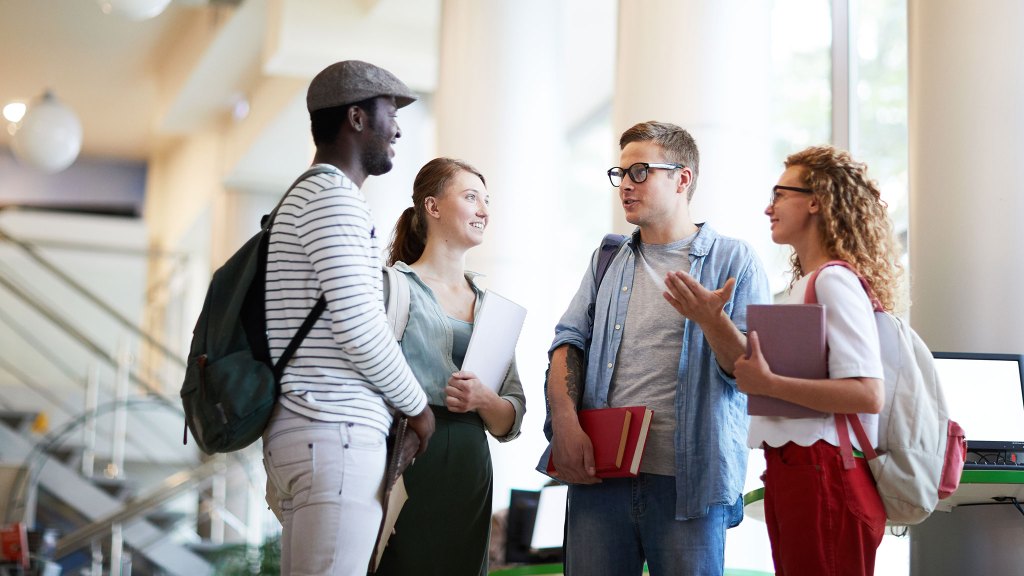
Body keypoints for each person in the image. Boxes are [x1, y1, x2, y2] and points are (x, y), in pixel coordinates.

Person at [545, 121, 770, 576]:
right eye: (621, 173)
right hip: (601, 474)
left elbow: (750, 373)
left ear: (682, 179)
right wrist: (565, 427)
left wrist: (711, 320)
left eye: (641, 172)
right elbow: (568, 342)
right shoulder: (607, 258)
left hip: (689, 485)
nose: (626, 185)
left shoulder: (734, 260)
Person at [260, 60, 436, 576]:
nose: (398, 128)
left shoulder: (302, 198)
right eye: (390, 113)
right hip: (333, 430)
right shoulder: (333, 198)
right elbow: (360, 330)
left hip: (306, 428)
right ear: (357, 119)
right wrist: (417, 407)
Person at [734, 145, 900, 575]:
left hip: (824, 475)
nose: (768, 207)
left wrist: (768, 384)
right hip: (801, 472)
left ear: (816, 200)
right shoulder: (809, 284)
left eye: (780, 193)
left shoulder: (834, 281)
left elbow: (867, 393)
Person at [375, 157, 526, 576]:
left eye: (487, 200)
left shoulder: (492, 307)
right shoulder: (391, 289)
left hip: (470, 469)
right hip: (406, 458)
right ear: (433, 206)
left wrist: (483, 399)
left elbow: (511, 416)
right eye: (470, 197)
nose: (484, 210)